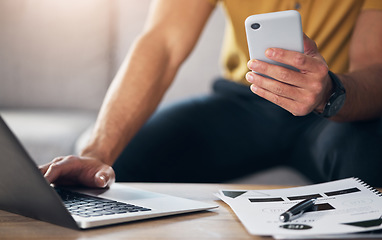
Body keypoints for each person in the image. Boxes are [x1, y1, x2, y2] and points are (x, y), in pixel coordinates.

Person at [40, 0, 382, 187]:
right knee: (116, 169)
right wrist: (97, 151)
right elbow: (163, 43)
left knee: (372, 170)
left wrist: (329, 93)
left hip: (335, 109)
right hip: (243, 102)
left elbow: (375, 68)